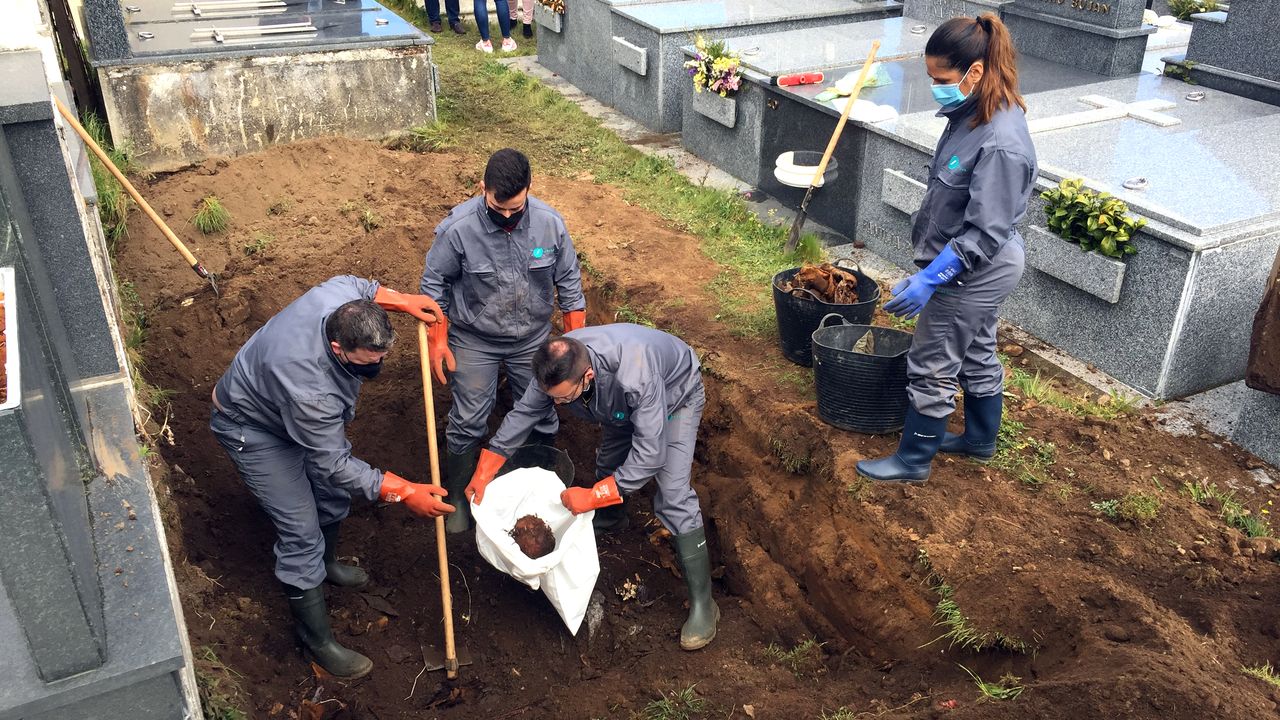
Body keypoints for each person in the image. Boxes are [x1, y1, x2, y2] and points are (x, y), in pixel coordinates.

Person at [209, 276, 455, 679]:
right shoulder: (311, 390)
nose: (377, 365)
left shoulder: (338, 298)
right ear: (338, 348)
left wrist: (404, 301)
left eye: (381, 355)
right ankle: (316, 641)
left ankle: (328, 564)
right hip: (252, 429)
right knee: (301, 534)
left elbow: (360, 284)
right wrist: (404, 491)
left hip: (282, 406)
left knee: (332, 498)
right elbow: (333, 464)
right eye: (368, 361)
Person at [857, 13, 1036, 484]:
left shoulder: (1000, 142)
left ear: (974, 72)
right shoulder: (972, 113)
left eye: (941, 78)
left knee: (932, 358)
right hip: (967, 260)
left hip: (975, 266)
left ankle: (913, 460)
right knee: (975, 347)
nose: (934, 85)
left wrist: (931, 278)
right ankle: (979, 440)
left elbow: (983, 233)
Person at [464, 325, 720, 651]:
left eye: (563, 398)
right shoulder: (555, 366)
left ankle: (704, 604)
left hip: (674, 395)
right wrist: (485, 470)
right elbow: (525, 413)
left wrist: (592, 496)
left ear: (586, 377)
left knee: (671, 495)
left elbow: (650, 455)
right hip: (619, 404)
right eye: (551, 397)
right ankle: (613, 519)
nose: (555, 405)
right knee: (608, 464)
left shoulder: (635, 374)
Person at [420, 148, 585, 534]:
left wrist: (577, 343)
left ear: (530, 188)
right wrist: (438, 339)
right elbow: (434, 285)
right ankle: (458, 496)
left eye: (515, 207)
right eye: (498, 206)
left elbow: (571, 286)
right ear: (483, 188)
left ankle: (536, 480)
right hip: (474, 336)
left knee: (543, 409)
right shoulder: (458, 229)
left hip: (532, 337)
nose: (507, 216)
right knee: (470, 417)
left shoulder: (549, 224)